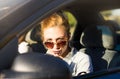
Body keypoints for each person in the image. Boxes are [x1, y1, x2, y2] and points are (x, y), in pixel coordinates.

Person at [40, 11, 93, 76]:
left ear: (68, 37)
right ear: (43, 41)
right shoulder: (43, 61)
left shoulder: (82, 60)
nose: (55, 47)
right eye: (49, 43)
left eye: (61, 42)